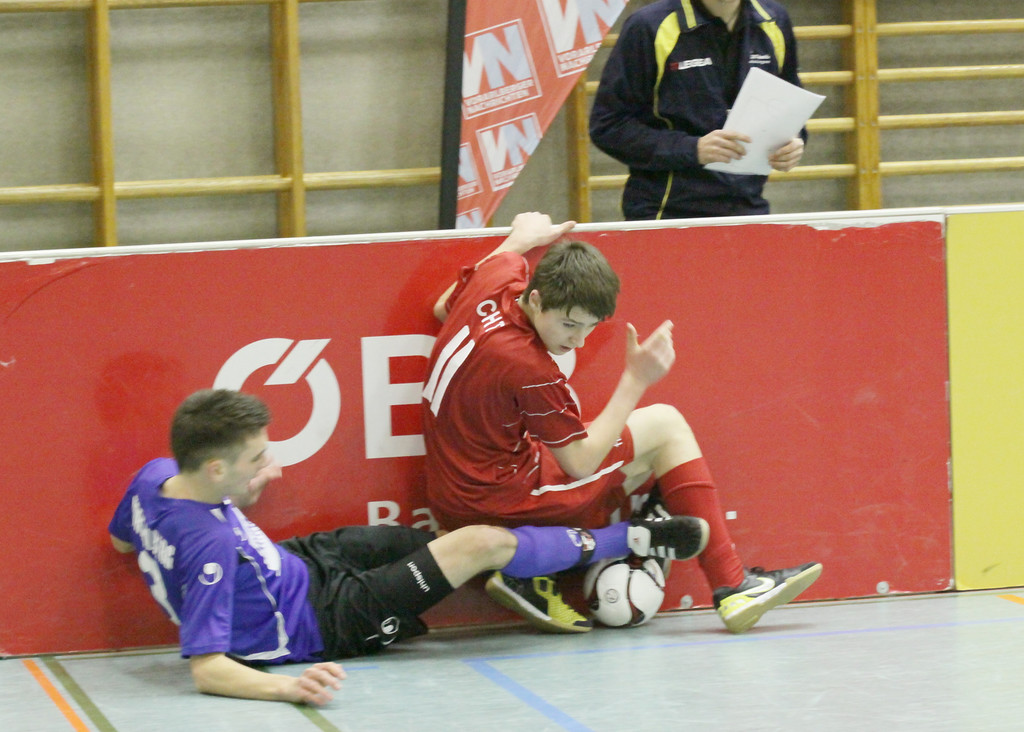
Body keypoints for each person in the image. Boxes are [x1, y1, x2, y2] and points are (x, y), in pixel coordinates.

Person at [109, 389, 709, 705]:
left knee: (442, 543)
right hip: (324, 620)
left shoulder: (154, 480)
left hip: (301, 561)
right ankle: (633, 538)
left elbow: (120, 537)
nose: (273, 466)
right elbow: (208, 669)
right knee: (477, 544)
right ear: (214, 468)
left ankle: (523, 569)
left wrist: (237, 498)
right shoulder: (211, 550)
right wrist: (287, 687)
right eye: (256, 459)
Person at [422, 211, 821, 635]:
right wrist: (635, 379)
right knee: (665, 427)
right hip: (491, 502)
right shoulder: (528, 366)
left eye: (589, 328)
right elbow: (580, 463)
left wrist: (519, 239)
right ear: (535, 299)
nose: (577, 341)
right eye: (569, 324)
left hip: (453, 487)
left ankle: (530, 568)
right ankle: (733, 586)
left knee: (618, 446)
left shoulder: (497, 274)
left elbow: (443, 306)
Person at [589, 0, 806, 220]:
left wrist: (793, 143)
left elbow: (790, 109)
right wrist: (692, 149)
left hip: (748, 208)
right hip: (666, 212)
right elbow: (609, 126)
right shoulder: (648, 26)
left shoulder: (774, 20)